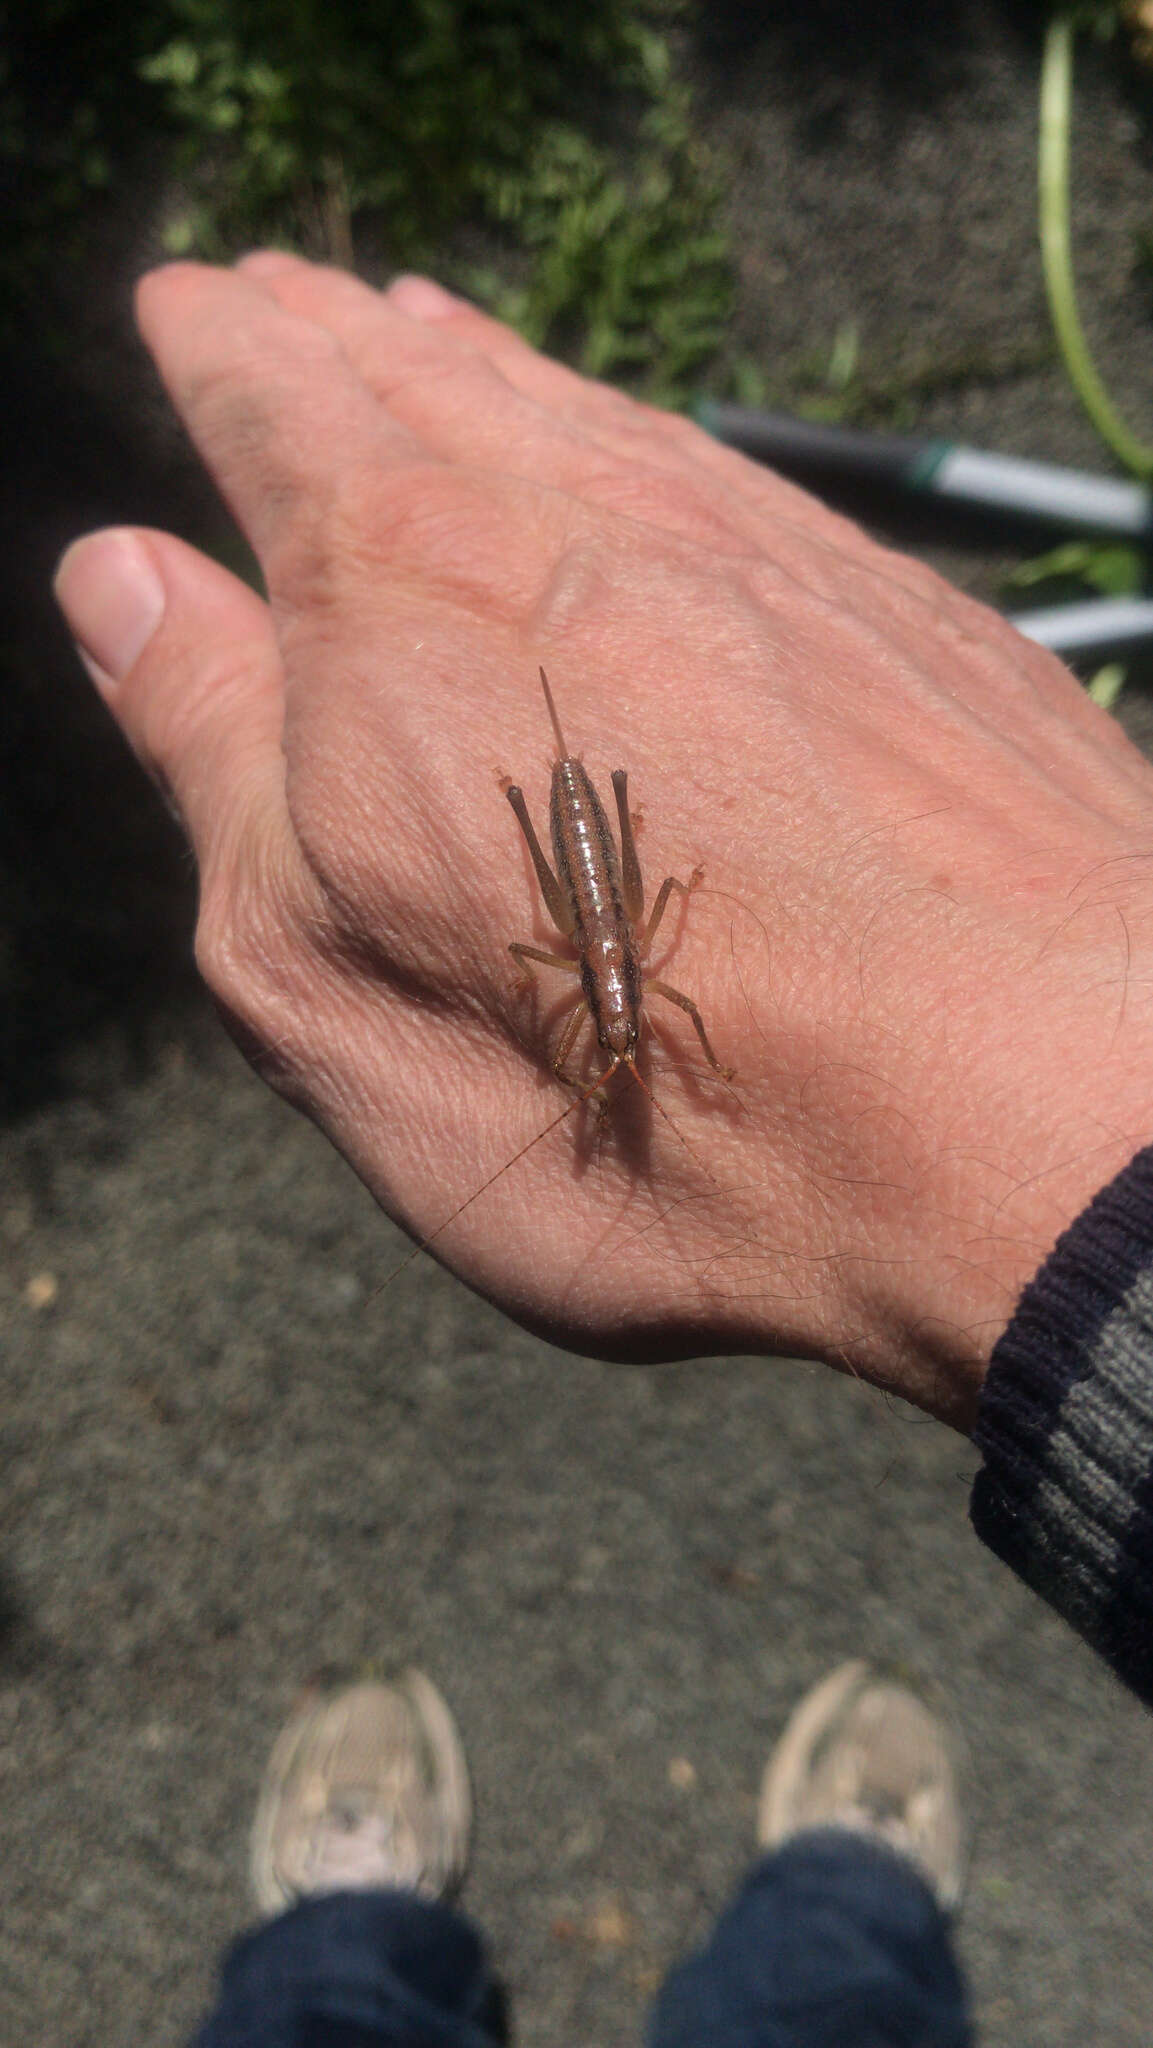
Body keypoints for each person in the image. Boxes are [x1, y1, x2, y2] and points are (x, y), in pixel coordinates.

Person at [52, 253, 1153, 2039]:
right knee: (563, 874)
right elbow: (580, 974)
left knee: (609, 896)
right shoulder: (591, 997)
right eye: (618, 1051)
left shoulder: (643, 1001)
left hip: (615, 881)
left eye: (624, 1052)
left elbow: (647, 979)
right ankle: (837, 1917)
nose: (625, 1061)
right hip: (587, 881)